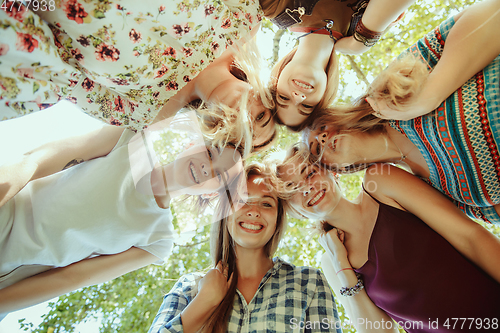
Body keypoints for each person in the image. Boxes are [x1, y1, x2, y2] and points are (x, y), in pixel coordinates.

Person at [0, 113, 245, 318]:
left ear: (213, 194)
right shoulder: (129, 139)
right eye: (211, 153)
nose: (207, 168)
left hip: (8, 277)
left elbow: (72, 278)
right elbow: (34, 161)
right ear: (194, 143)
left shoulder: (158, 241)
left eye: (219, 177)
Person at [306, 0, 500, 223]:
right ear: (337, 169)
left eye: (321, 127)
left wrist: (427, 99)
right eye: (316, 149)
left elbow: (492, 12)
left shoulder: (389, 93)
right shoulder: (421, 189)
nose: (321, 138)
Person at [277, 144, 500, 332]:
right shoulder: (331, 262)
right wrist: (341, 266)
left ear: (331, 170)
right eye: (292, 188)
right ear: (294, 211)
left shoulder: (381, 182)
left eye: (310, 173)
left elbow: (469, 235)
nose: (306, 187)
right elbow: (381, 330)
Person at [0, 0, 276, 152]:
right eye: (261, 116)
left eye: (245, 135)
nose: (246, 117)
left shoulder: (145, 112)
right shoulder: (244, 22)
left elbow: (62, 78)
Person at [148, 163, 342, 333]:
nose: (254, 211)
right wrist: (204, 302)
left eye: (266, 204)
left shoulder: (308, 283)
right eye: (242, 200)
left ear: (277, 220)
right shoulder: (189, 288)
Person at [261, 0, 415, 130]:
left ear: (277, 78)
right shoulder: (361, 35)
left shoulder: (274, 8)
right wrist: (362, 40)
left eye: (283, 97)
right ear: (324, 97)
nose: (298, 97)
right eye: (307, 107)